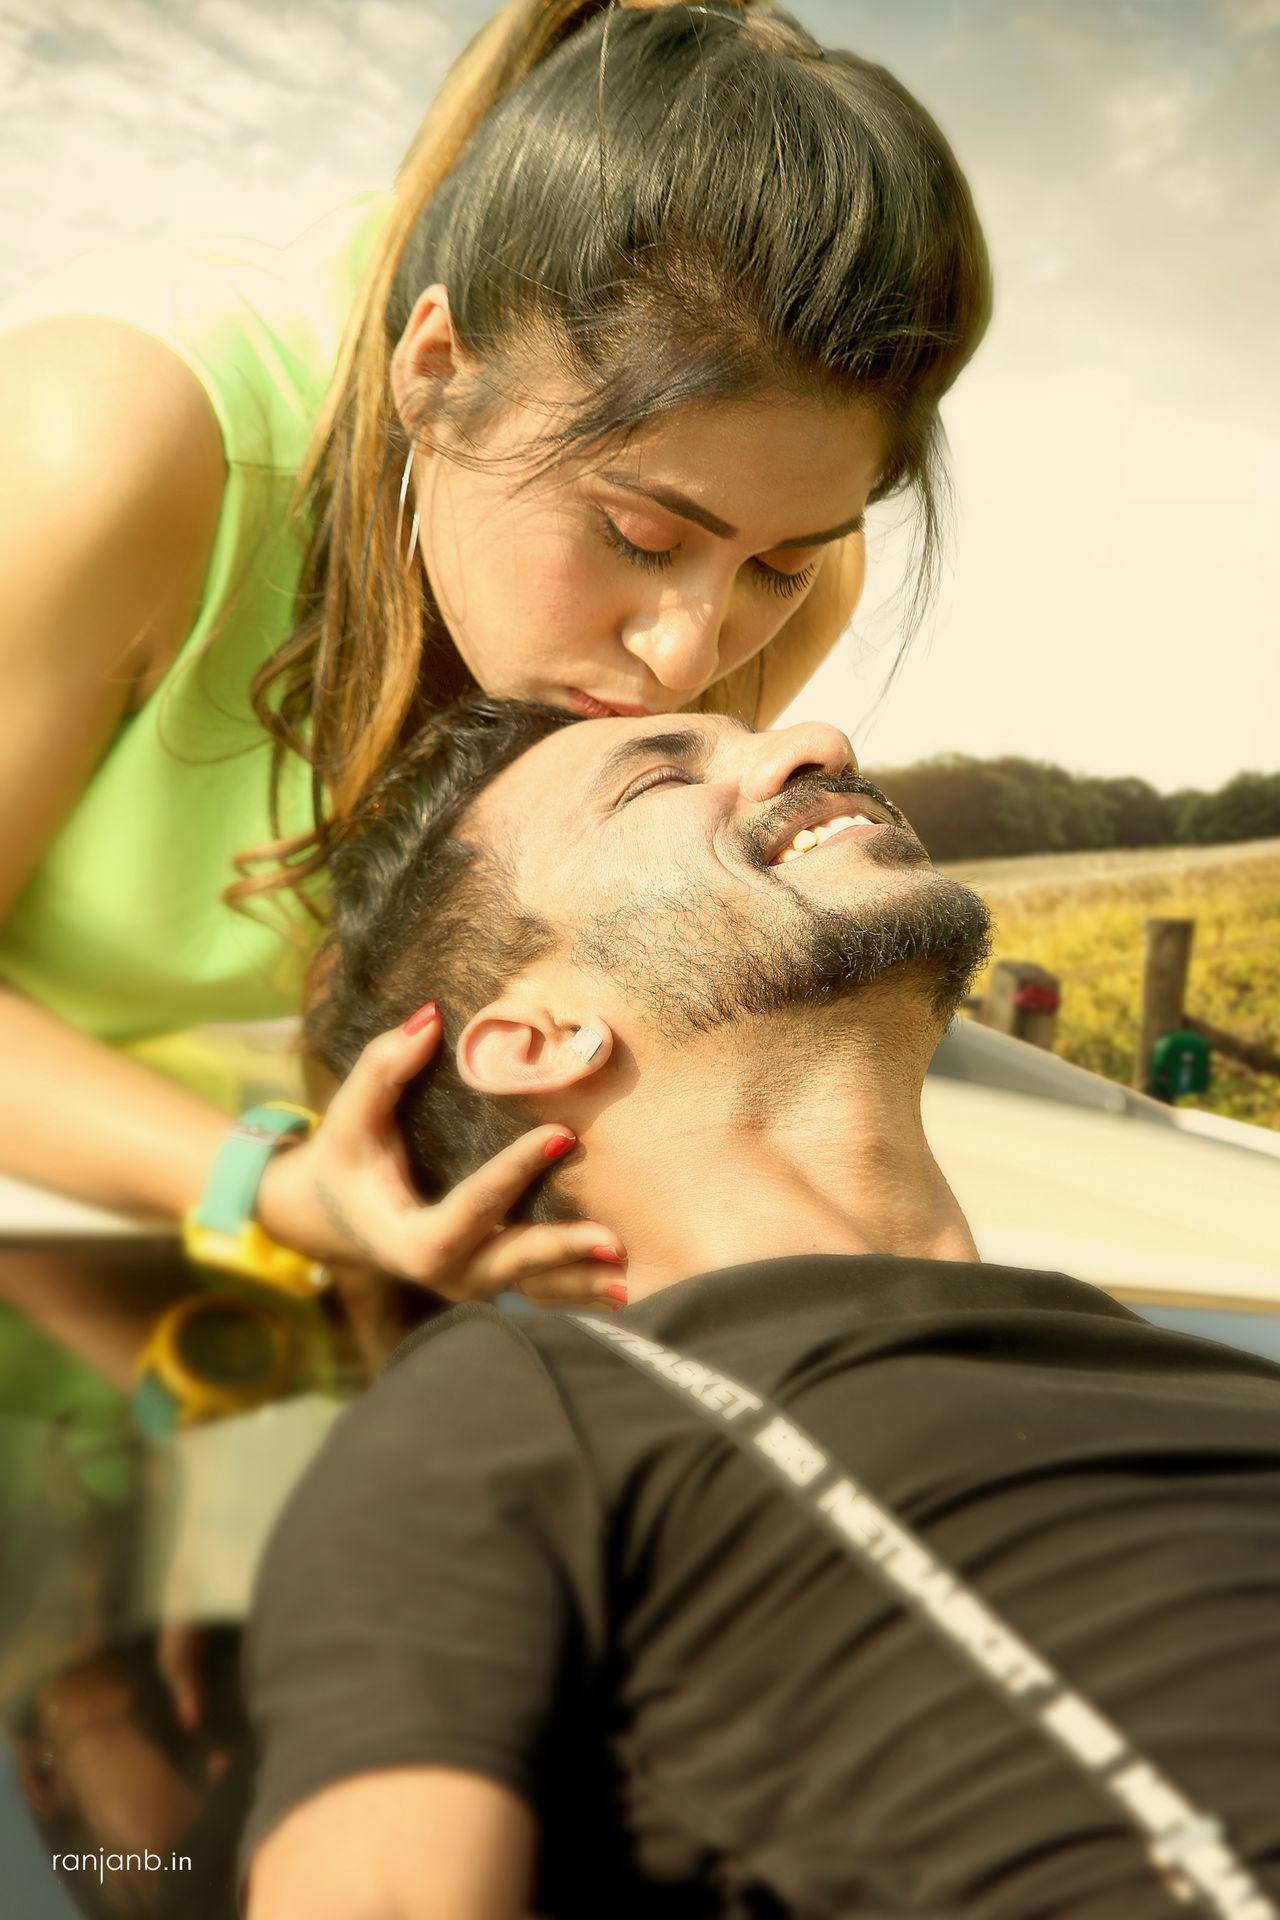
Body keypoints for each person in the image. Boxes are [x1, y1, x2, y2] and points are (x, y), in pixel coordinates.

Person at [0, 0, 990, 1305]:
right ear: (435, 365)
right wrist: (280, 1189)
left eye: (782, 563)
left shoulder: (770, 566)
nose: (688, 650)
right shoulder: (108, 447)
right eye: (635, 533)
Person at [242, 700, 1280, 1920]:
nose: (822, 742)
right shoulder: (523, 1410)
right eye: (656, 779)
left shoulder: (1219, 1372)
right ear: (539, 1037)